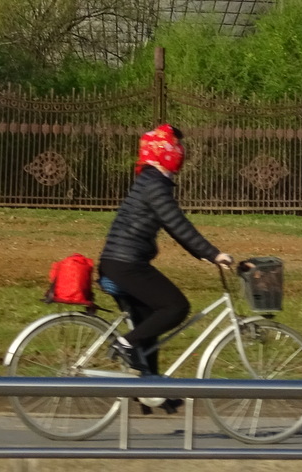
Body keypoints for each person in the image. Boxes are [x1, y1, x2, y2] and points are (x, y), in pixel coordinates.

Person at [99, 123, 232, 379]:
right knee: (175, 307)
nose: (180, 150)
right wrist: (214, 254)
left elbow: (175, 227)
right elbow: (178, 224)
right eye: (177, 146)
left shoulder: (149, 181)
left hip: (119, 264)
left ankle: (151, 388)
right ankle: (124, 344)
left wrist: (204, 253)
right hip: (126, 265)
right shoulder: (154, 185)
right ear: (168, 152)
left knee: (150, 322)